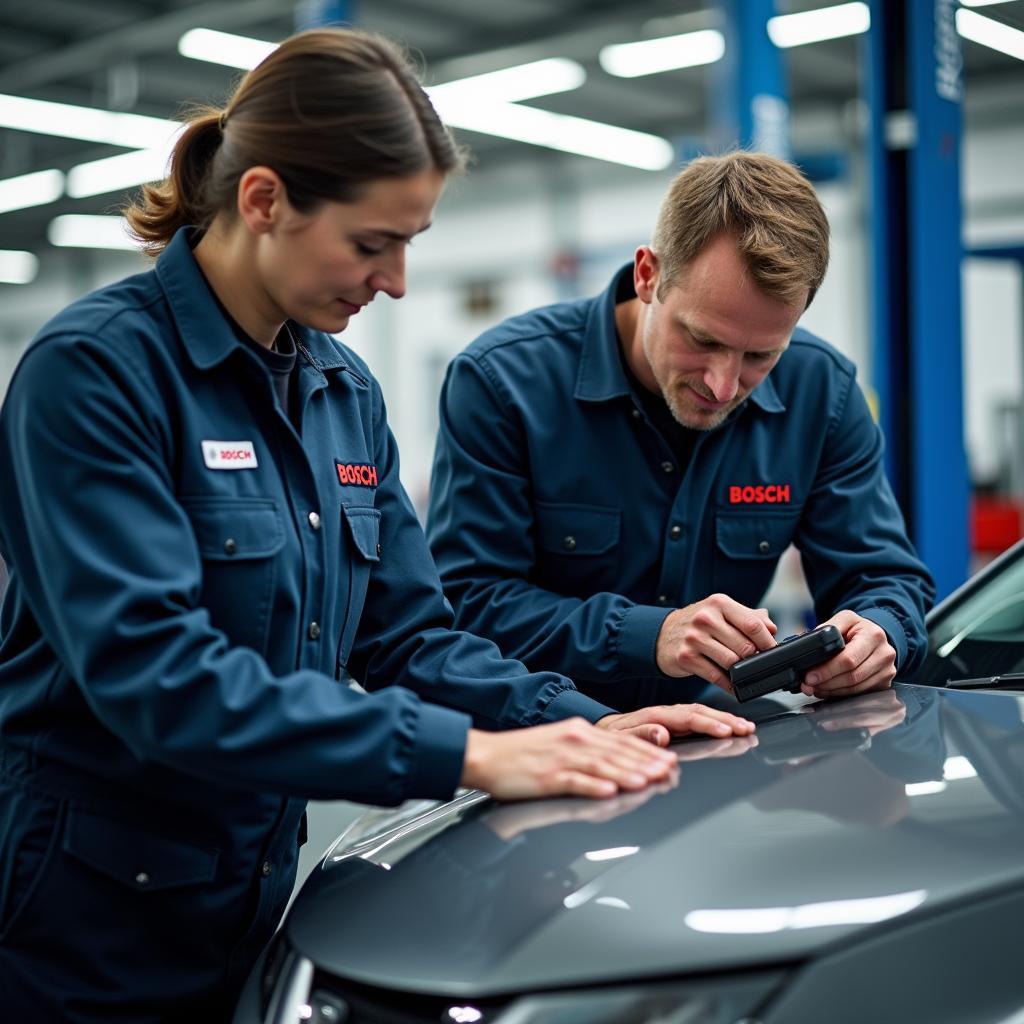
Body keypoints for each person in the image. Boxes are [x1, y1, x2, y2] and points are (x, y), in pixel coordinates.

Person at [0, 31, 753, 1023]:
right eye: (371, 242)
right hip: (84, 920)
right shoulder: (96, 373)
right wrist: (469, 757)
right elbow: (158, 677)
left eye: (411, 242)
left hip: (259, 898)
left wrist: (572, 719)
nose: (396, 280)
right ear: (263, 200)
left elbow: (406, 634)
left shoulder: (338, 388)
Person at [427, 152, 935, 713]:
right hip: (539, 740)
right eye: (702, 339)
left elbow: (883, 575)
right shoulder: (504, 382)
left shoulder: (823, 393)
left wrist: (878, 634)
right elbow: (468, 603)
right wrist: (649, 634)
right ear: (648, 275)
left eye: (760, 355)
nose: (722, 385)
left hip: (715, 750)